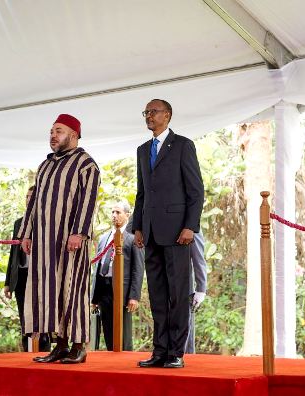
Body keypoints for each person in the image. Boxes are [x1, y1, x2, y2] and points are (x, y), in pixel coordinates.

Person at [20, 113, 100, 364]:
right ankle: (61, 344)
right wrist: (26, 233)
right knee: (50, 292)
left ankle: (79, 345)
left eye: (59, 130)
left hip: (70, 242)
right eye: (52, 131)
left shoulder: (86, 164)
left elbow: (89, 201)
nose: (53, 135)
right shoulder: (45, 166)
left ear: (74, 135)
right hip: (45, 243)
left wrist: (79, 232)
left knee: (72, 291)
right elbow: (34, 202)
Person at [133, 99, 204, 368]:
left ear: (168, 115)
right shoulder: (142, 150)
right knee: (158, 295)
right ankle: (160, 350)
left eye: (154, 112)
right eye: (146, 113)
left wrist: (190, 226)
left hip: (177, 233)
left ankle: (176, 352)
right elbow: (142, 193)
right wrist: (137, 226)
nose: (149, 116)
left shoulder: (183, 145)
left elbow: (196, 191)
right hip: (150, 232)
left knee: (178, 292)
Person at [91, 203, 144, 351]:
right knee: (108, 330)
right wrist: (93, 298)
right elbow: (98, 267)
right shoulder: (103, 238)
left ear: (127, 215)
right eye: (112, 212)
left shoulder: (133, 238)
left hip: (123, 290)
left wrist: (134, 296)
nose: (114, 215)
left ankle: (125, 364)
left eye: (118, 212)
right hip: (104, 289)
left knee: (123, 333)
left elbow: (138, 269)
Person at [5, 186, 51, 352]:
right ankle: (26, 353)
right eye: (26, 196)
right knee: (25, 319)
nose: (28, 199)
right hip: (21, 276)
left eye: (32, 196)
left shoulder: (46, 221)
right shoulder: (19, 222)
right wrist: (8, 282)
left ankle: (44, 350)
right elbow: (13, 253)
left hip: (39, 276)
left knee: (40, 318)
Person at [185, 231, 207, 354]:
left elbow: (198, 257)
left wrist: (201, 289)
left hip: (185, 284)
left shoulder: (192, 221)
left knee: (185, 327)